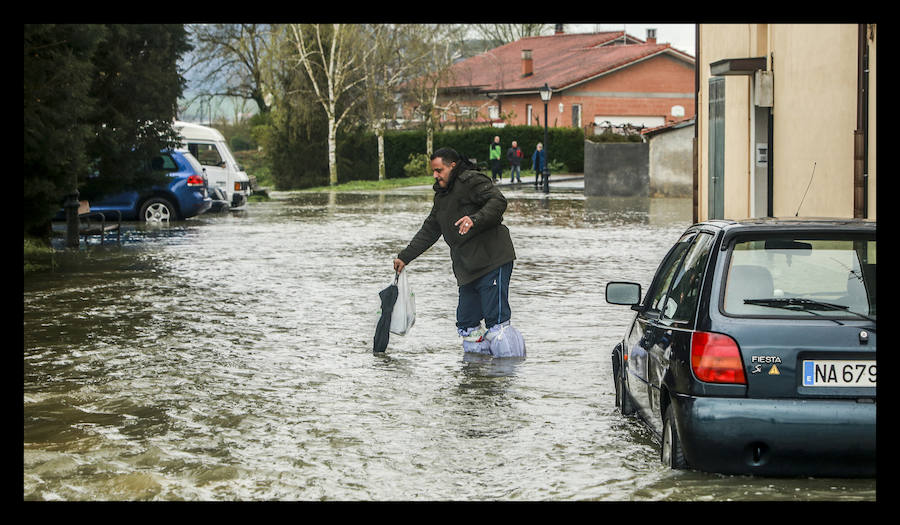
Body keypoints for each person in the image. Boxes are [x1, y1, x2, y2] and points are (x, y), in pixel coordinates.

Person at [393, 147, 517, 354]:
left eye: (439, 170)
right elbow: (430, 229)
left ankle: (505, 376)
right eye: (433, 171)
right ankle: (476, 379)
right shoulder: (442, 197)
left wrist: (474, 219)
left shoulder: (472, 181)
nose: (435, 175)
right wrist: (405, 257)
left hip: (492, 260)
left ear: (452, 165)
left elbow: (498, 201)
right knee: (467, 325)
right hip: (467, 268)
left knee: (497, 324)